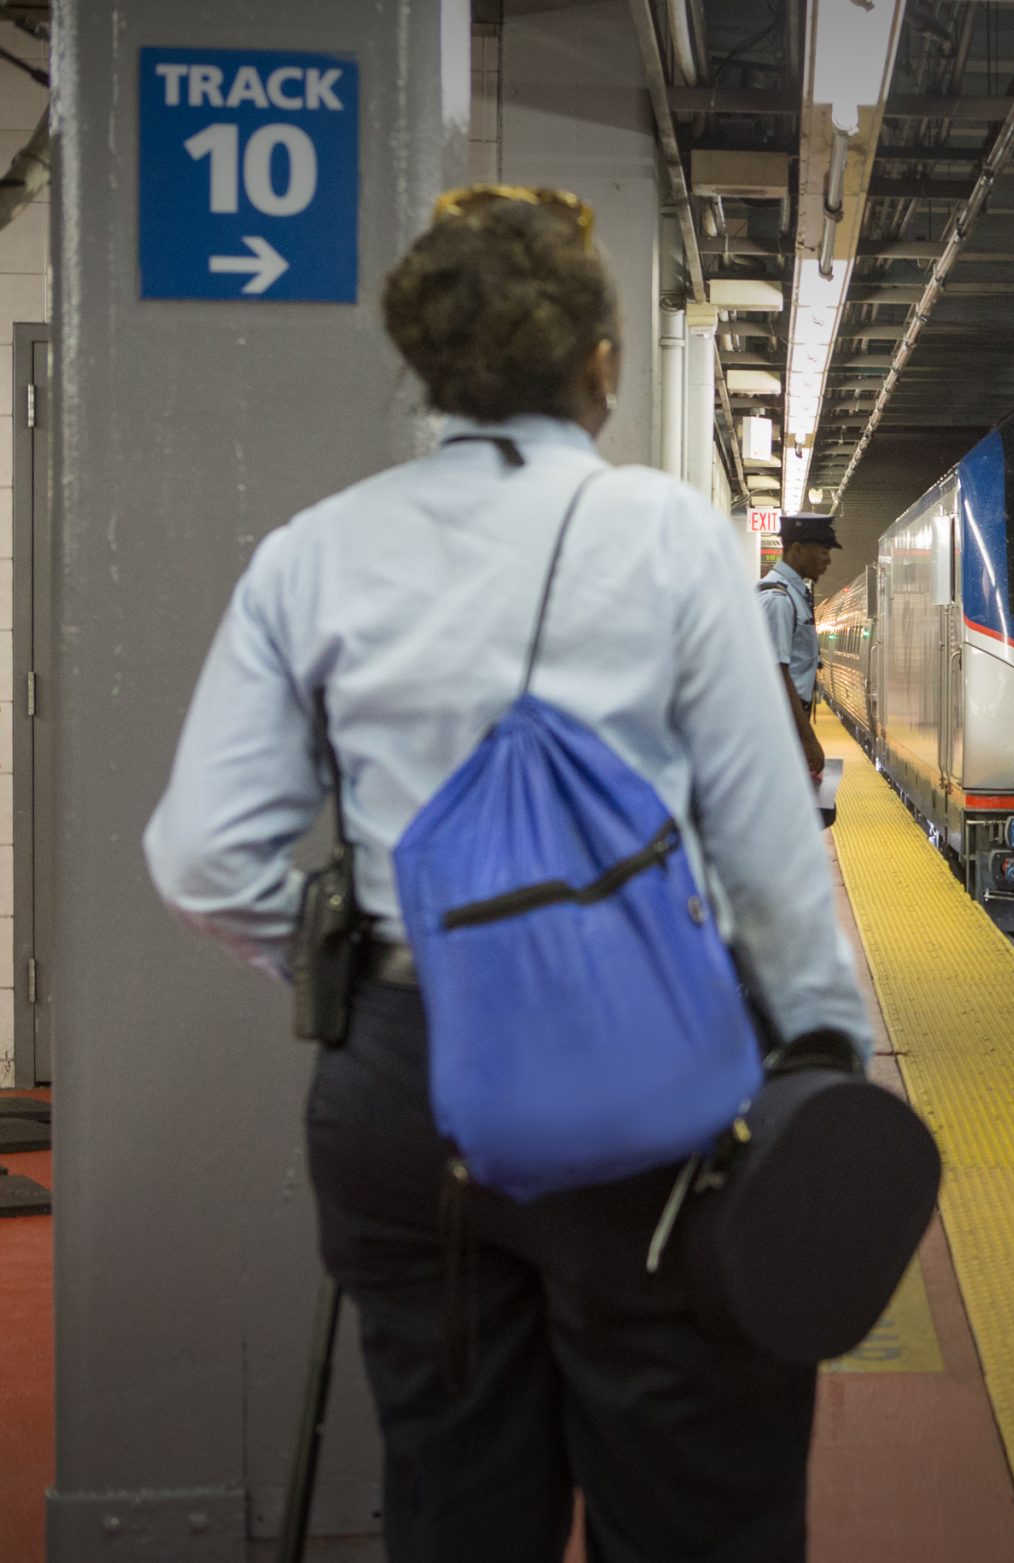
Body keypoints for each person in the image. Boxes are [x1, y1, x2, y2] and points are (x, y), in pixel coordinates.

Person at [142, 185, 866, 1560]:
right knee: (696, 1499)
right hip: (641, 1072)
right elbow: (769, 854)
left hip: (404, 1092)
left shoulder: (314, 551)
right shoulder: (666, 537)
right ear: (599, 360)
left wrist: (371, 970)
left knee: (456, 1498)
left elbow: (203, 854)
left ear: (428, 363)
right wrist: (826, 1054)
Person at [760, 515, 836, 781]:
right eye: (823, 550)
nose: (828, 559)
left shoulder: (793, 595)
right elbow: (776, 676)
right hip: (778, 730)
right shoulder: (777, 600)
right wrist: (808, 740)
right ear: (798, 550)